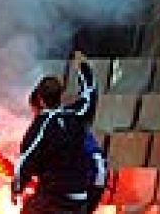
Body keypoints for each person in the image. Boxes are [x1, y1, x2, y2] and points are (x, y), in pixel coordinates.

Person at [13, 52, 98, 214]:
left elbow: (26, 159)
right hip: (80, 196)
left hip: (55, 198)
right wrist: (84, 67)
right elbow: (89, 94)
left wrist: (17, 188)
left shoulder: (41, 125)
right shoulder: (77, 115)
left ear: (40, 99)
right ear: (60, 95)